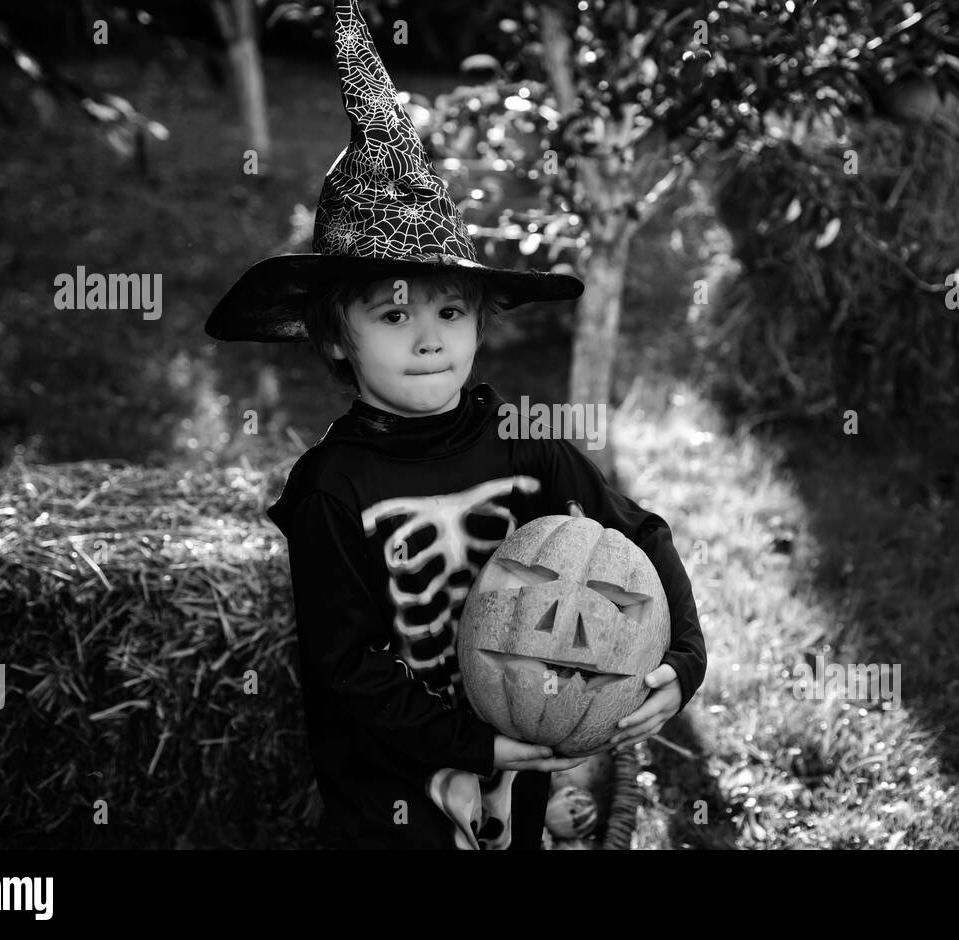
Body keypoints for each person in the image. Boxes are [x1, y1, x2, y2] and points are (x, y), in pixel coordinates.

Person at [204, 0, 706, 850]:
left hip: (528, 764)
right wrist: (473, 743)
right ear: (334, 336)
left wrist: (681, 666)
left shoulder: (525, 440)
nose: (430, 336)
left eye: (450, 309)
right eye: (393, 317)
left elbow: (641, 532)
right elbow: (345, 668)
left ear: (480, 320)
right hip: (394, 793)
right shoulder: (333, 488)